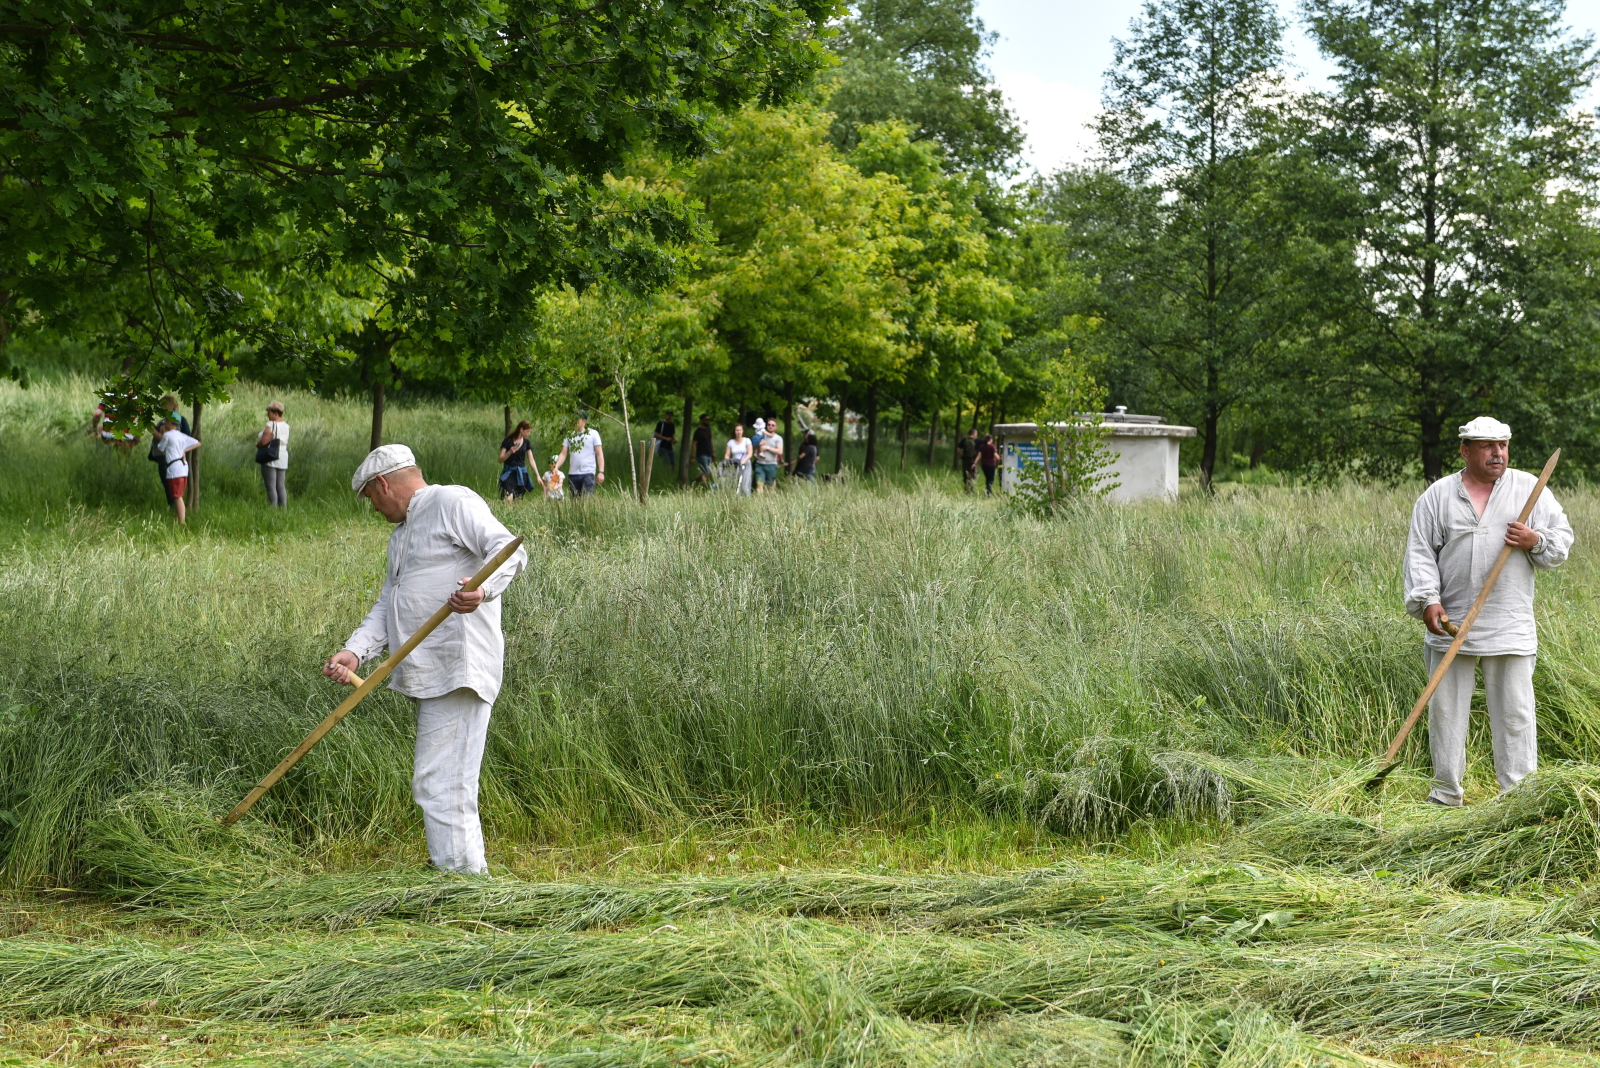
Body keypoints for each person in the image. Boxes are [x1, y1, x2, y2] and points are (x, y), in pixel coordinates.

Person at [323, 444, 529, 874]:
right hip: (430, 672)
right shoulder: (401, 537)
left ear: (382, 484)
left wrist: (481, 591)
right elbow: (388, 604)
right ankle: (459, 875)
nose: (374, 509)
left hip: (460, 665)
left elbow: (508, 549)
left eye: (370, 498)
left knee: (442, 784)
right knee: (441, 782)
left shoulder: (450, 500)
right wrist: (355, 651)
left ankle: (463, 885)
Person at [1403, 416, 1574, 807]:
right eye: (1487, 446)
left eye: (1502, 445)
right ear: (1465, 450)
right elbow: (1420, 554)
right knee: (1446, 715)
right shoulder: (1438, 497)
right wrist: (1428, 600)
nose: (1497, 453)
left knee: (1515, 716)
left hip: (1508, 622)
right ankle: (1445, 796)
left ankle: (1518, 798)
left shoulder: (1530, 488)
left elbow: (1561, 541)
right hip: (1452, 625)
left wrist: (1535, 539)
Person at [151, 418, 201, 524]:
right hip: (183, 468)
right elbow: (197, 443)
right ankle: (177, 518)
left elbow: (160, 449)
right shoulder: (181, 435)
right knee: (179, 495)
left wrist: (163, 433)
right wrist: (183, 449)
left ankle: (182, 522)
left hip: (174, 469)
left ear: (170, 423)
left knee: (177, 496)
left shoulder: (167, 435)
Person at [555, 414, 604, 497]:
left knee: (586, 500)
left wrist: (601, 472)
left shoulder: (593, 434)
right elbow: (563, 453)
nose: (574, 421)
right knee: (575, 503)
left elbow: (599, 454)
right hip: (573, 473)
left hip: (588, 473)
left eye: (577, 419)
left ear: (584, 421)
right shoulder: (569, 435)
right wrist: (556, 467)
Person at [257, 401, 290, 508]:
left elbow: (265, 441)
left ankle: (273, 509)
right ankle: (283, 509)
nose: (267, 414)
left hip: (270, 456)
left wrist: (257, 444)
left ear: (275, 413)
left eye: (269, 412)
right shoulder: (286, 426)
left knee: (271, 486)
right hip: (283, 455)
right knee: (280, 486)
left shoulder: (271, 424)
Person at [498, 420, 538, 502]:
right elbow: (500, 459)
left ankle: (512, 514)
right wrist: (509, 452)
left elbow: (531, 459)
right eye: (527, 431)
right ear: (521, 430)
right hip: (509, 473)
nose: (529, 434)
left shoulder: (526, 442)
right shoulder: (508, 441)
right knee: (508, 497)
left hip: (521, 474)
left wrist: (537, 475)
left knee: (517, 500)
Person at [753, 418, 783, 492]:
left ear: (776, 427)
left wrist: (767, 448)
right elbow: (754, 445)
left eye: (773, 425)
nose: (770, 426)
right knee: (759, 484)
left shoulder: (778, 438)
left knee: (770, 487)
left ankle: (770, 501)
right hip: (760, 464)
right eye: (769, 424)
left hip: (771, 465)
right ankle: (759, 501)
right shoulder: (761, 435)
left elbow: (780, 451)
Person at [724, 423, 752, 495]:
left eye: (740, 430)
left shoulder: (747, 440)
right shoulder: (731, 442)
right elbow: (727, 455)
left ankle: (747, 498)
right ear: (734, 431)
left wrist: (743, 462)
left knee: (745, 485)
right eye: (737, 430)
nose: (738, 432)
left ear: (742, 431)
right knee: (734, 483)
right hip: (734, 464)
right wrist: (729, 462)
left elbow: (749, 453)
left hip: (745, 464)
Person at [692, 414, 715, 485]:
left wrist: (713, 452)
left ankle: (693, 482)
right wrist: (693, 457)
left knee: (706, 472)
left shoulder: (708, 429)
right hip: (701, 454)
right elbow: (694, 444)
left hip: (709, 454)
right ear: (701, 420)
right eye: (706, 419)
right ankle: (702, 490)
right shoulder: (698, 431)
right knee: (706, 472)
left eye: (709, 420)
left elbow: (710, 441)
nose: (708, 421)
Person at [958, 428, 981, 494]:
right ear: (974, 434)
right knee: (973, 475)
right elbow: (979, 452)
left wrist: (961, 456)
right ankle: (971, 490)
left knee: (966, 475)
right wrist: (976, 461)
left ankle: (966, 489)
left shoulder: (964, 440)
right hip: (973, 460)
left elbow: (958, 449)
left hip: (965, 460)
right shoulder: (977, 441)